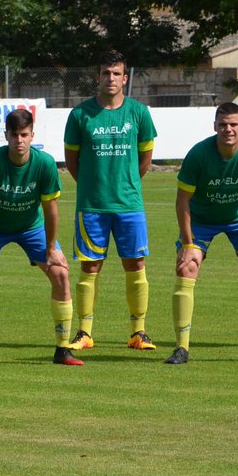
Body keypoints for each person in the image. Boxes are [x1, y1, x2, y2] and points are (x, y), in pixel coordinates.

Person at [0, 108, 80, 368]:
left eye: (24, 134)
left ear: (32, 135)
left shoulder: (45, 164)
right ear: (6, 135)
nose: (20, 140)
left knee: (60, 273)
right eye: (14, 135)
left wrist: (51, 249)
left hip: (31, 227)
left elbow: (51, 210)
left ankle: (63, 350)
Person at [163, 102, 238, 364]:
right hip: (201, 219)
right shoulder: (198, 154)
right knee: (187, 268)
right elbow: (182, 201)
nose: (228, 129)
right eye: (222, 125)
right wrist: (187, 243)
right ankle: (182, 348)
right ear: (215, 127)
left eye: (233, 125)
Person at [63, 50, 157, 353]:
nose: (111, 78)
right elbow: (72, 161)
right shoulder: (80, 115)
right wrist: (94, 186)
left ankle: (138, 332)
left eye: (116, 73)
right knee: (90, 267)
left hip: (129, 204)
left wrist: (125, 183)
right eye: (106, 72)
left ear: (125, 78)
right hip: (92, 206)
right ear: (97, 77)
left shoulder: (139, 113)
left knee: (135, 264)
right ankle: (85, 332)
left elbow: (145, 158)